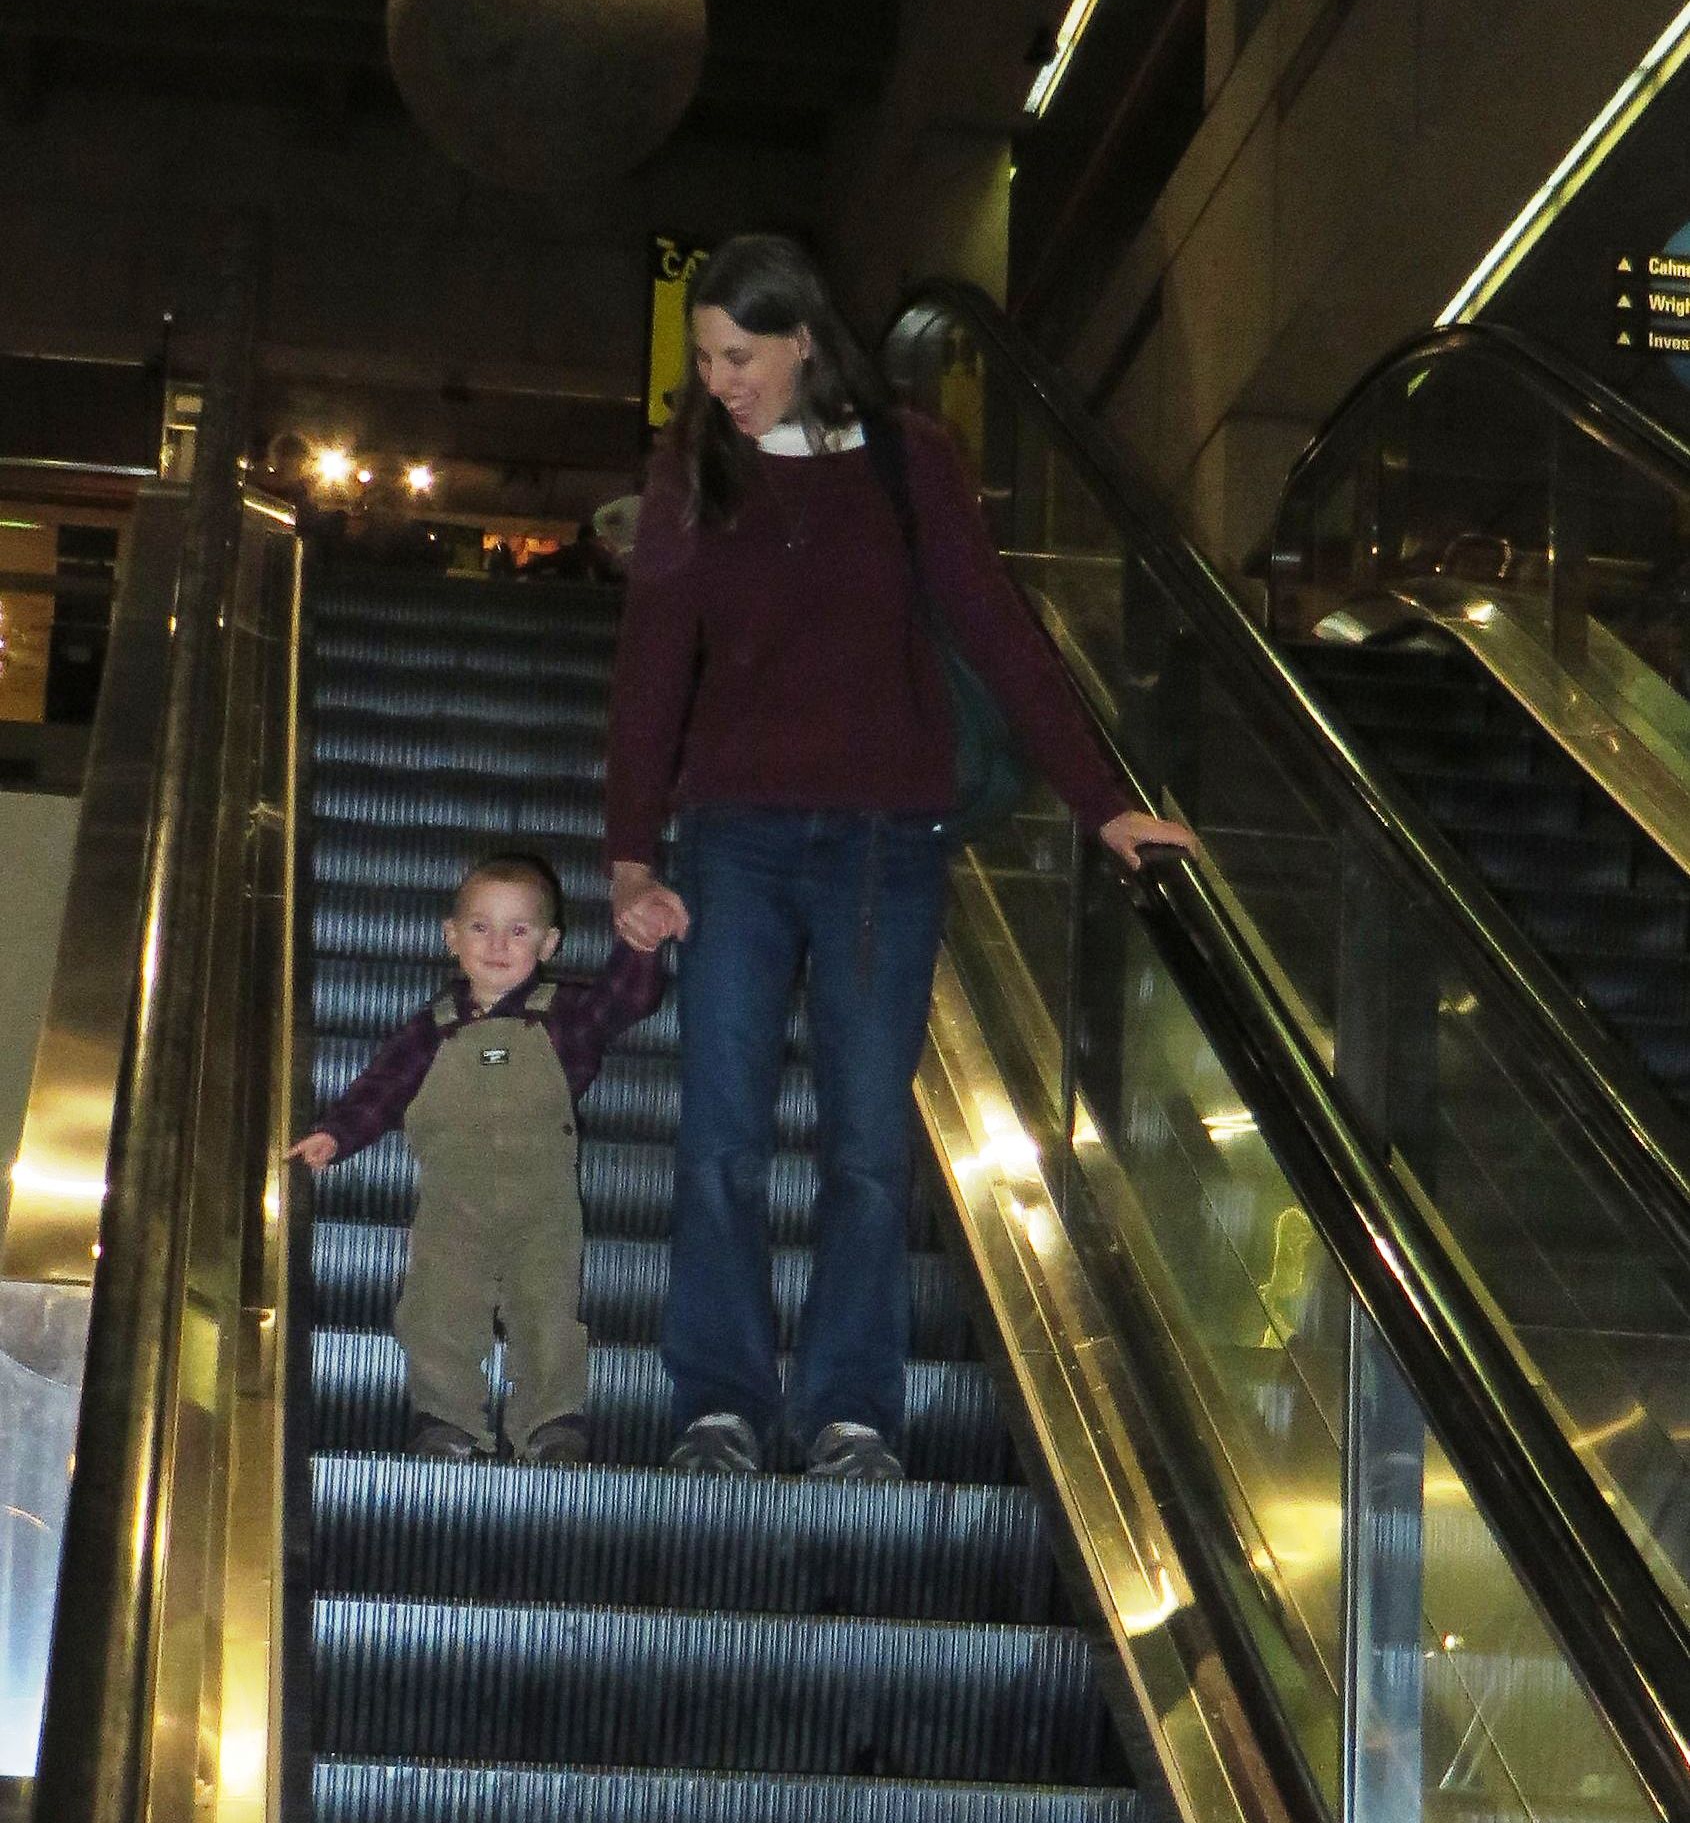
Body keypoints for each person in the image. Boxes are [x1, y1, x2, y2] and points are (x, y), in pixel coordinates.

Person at [604, 232, 1196, 1485]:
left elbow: (997, 626)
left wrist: (1102, 805)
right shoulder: (693, 465)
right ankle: (718, 1407)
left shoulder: (906, 458)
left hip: (883, 843)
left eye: (738, 355)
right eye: (704, 358)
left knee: (868, 1144)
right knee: (719, 1135)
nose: (718, 381)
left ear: (802, 341)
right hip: (736, 836)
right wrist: (628, 856)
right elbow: (652, 660)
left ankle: (848, 1413)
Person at [288, 852, 663, 1463]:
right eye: (481, 927)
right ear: (452, 937)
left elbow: (628, 1000)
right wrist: (338, 1133)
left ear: (548, 944)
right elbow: (383, 1086)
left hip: (544, 1203)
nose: (497, 944)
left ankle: (551, 1422)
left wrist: (641, 945)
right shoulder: (431, 1028)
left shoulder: (566, 1016)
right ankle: (445, 1419)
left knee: (547, 1310)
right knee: (437, 1308)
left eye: (519, 930)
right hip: (452, 1202)